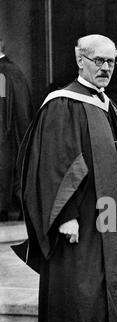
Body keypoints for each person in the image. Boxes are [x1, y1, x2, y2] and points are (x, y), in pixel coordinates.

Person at [14, 35, 117, 322]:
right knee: (82, 293)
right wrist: (64, 215)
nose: (105, 68)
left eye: (111, 62)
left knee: (100, 291)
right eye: (98, 60)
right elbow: (52, 164)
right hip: (78, 220)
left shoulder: (105, 104)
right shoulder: (62, 104)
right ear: (79, 60)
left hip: (108, 215)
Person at [0, 38, 33, 221]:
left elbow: (1, 109)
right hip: (17, 134)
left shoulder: (2, 73)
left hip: (5, 136)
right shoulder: (14, 71)